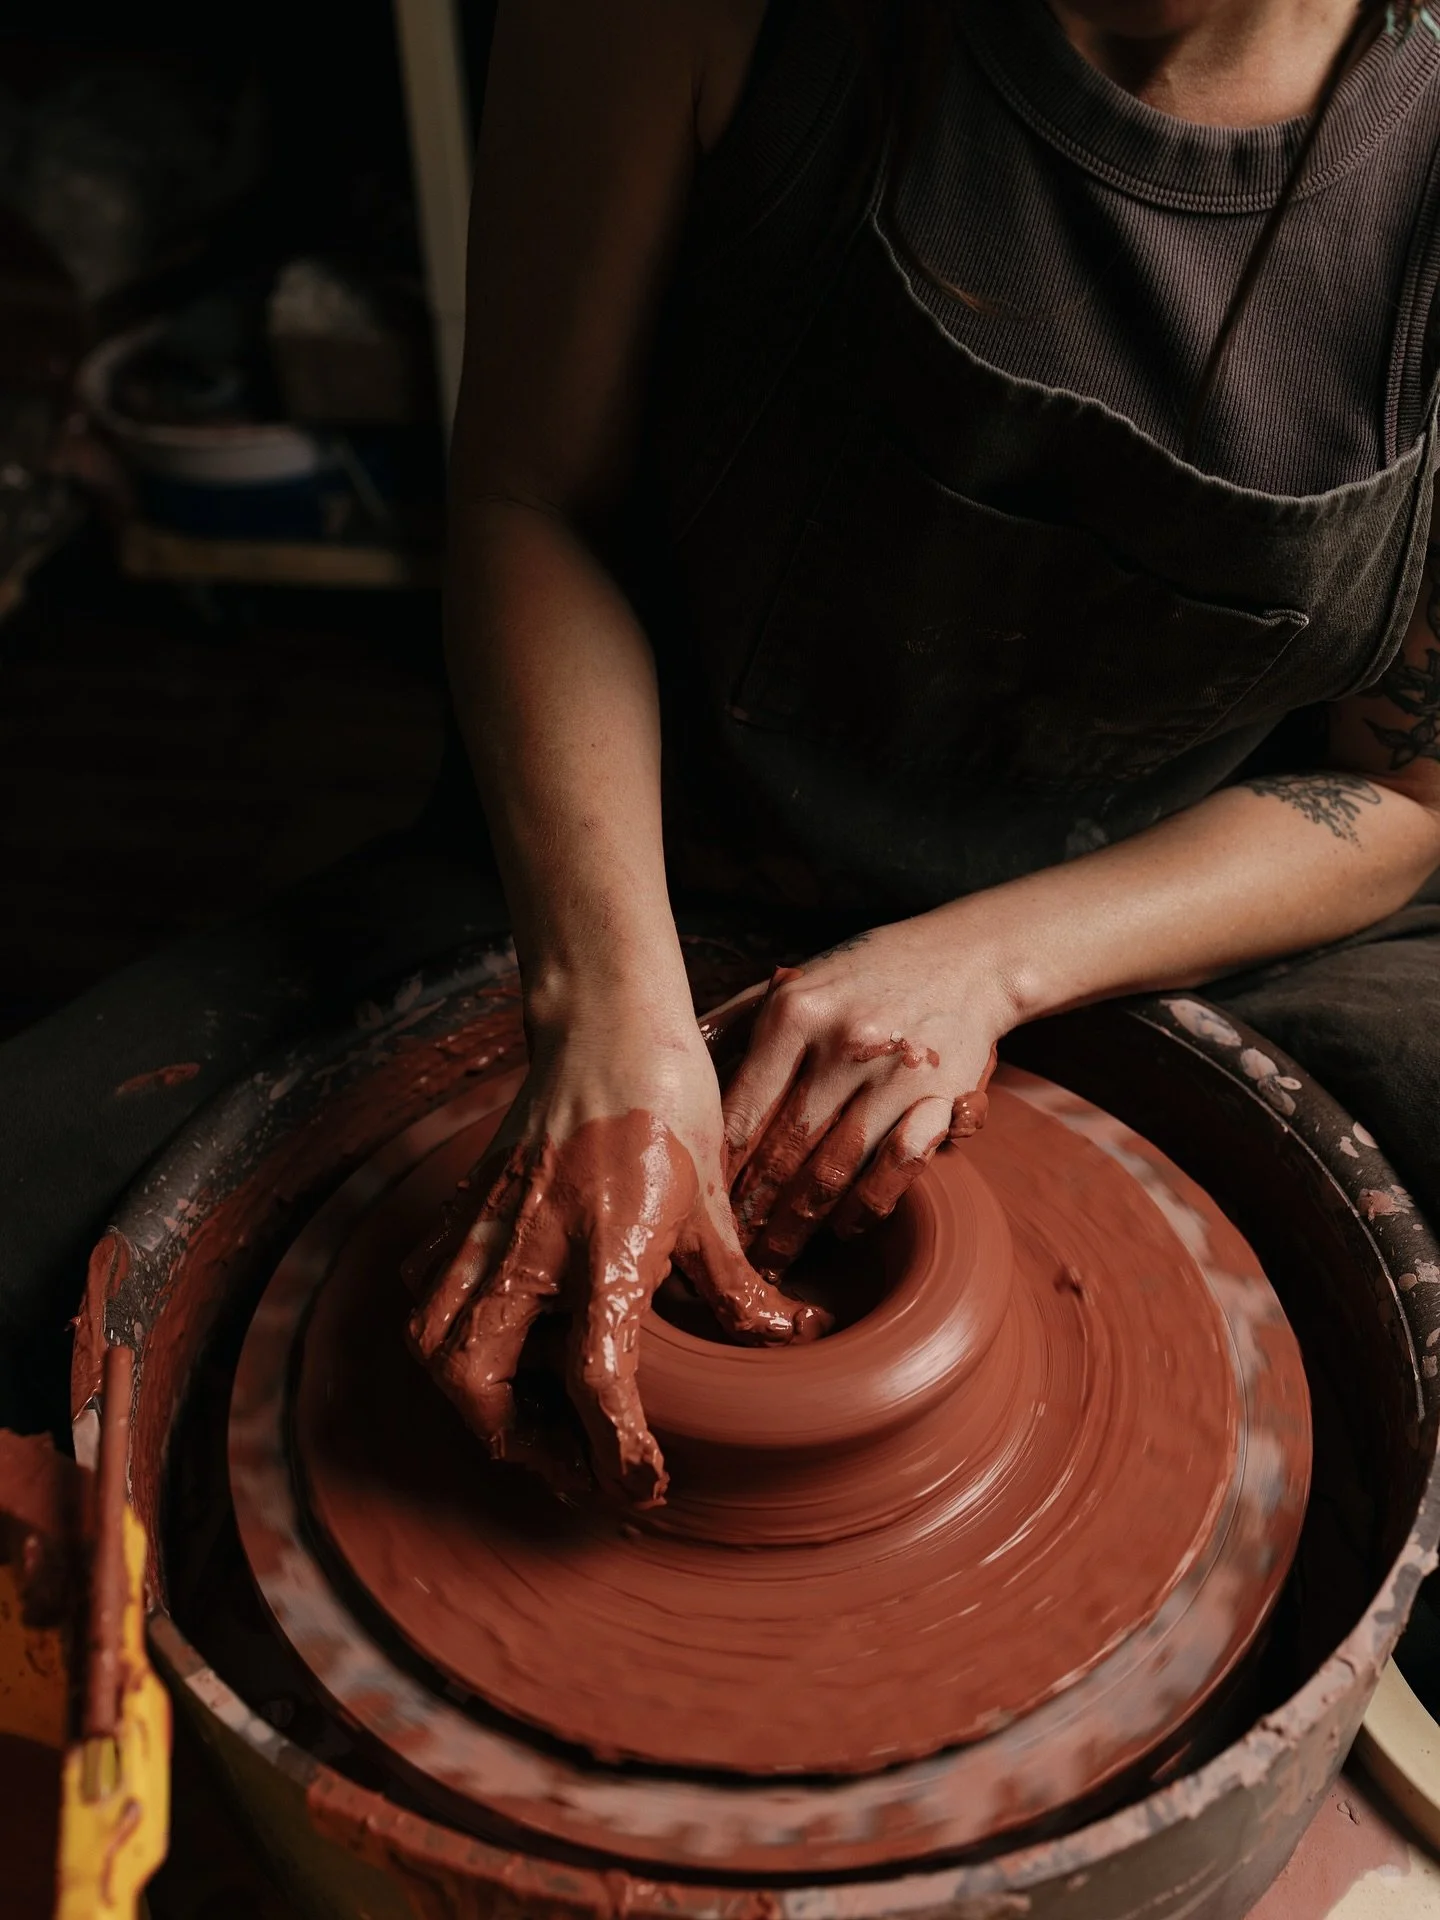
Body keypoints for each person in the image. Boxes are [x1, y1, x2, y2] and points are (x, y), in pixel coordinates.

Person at [4, 0, 1439, 1489]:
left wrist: (986, 964)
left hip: (1178, 907)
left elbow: (1404, 786)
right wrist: (609, 1008)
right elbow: (533, 501)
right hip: (650, 867)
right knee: (31, 1231)